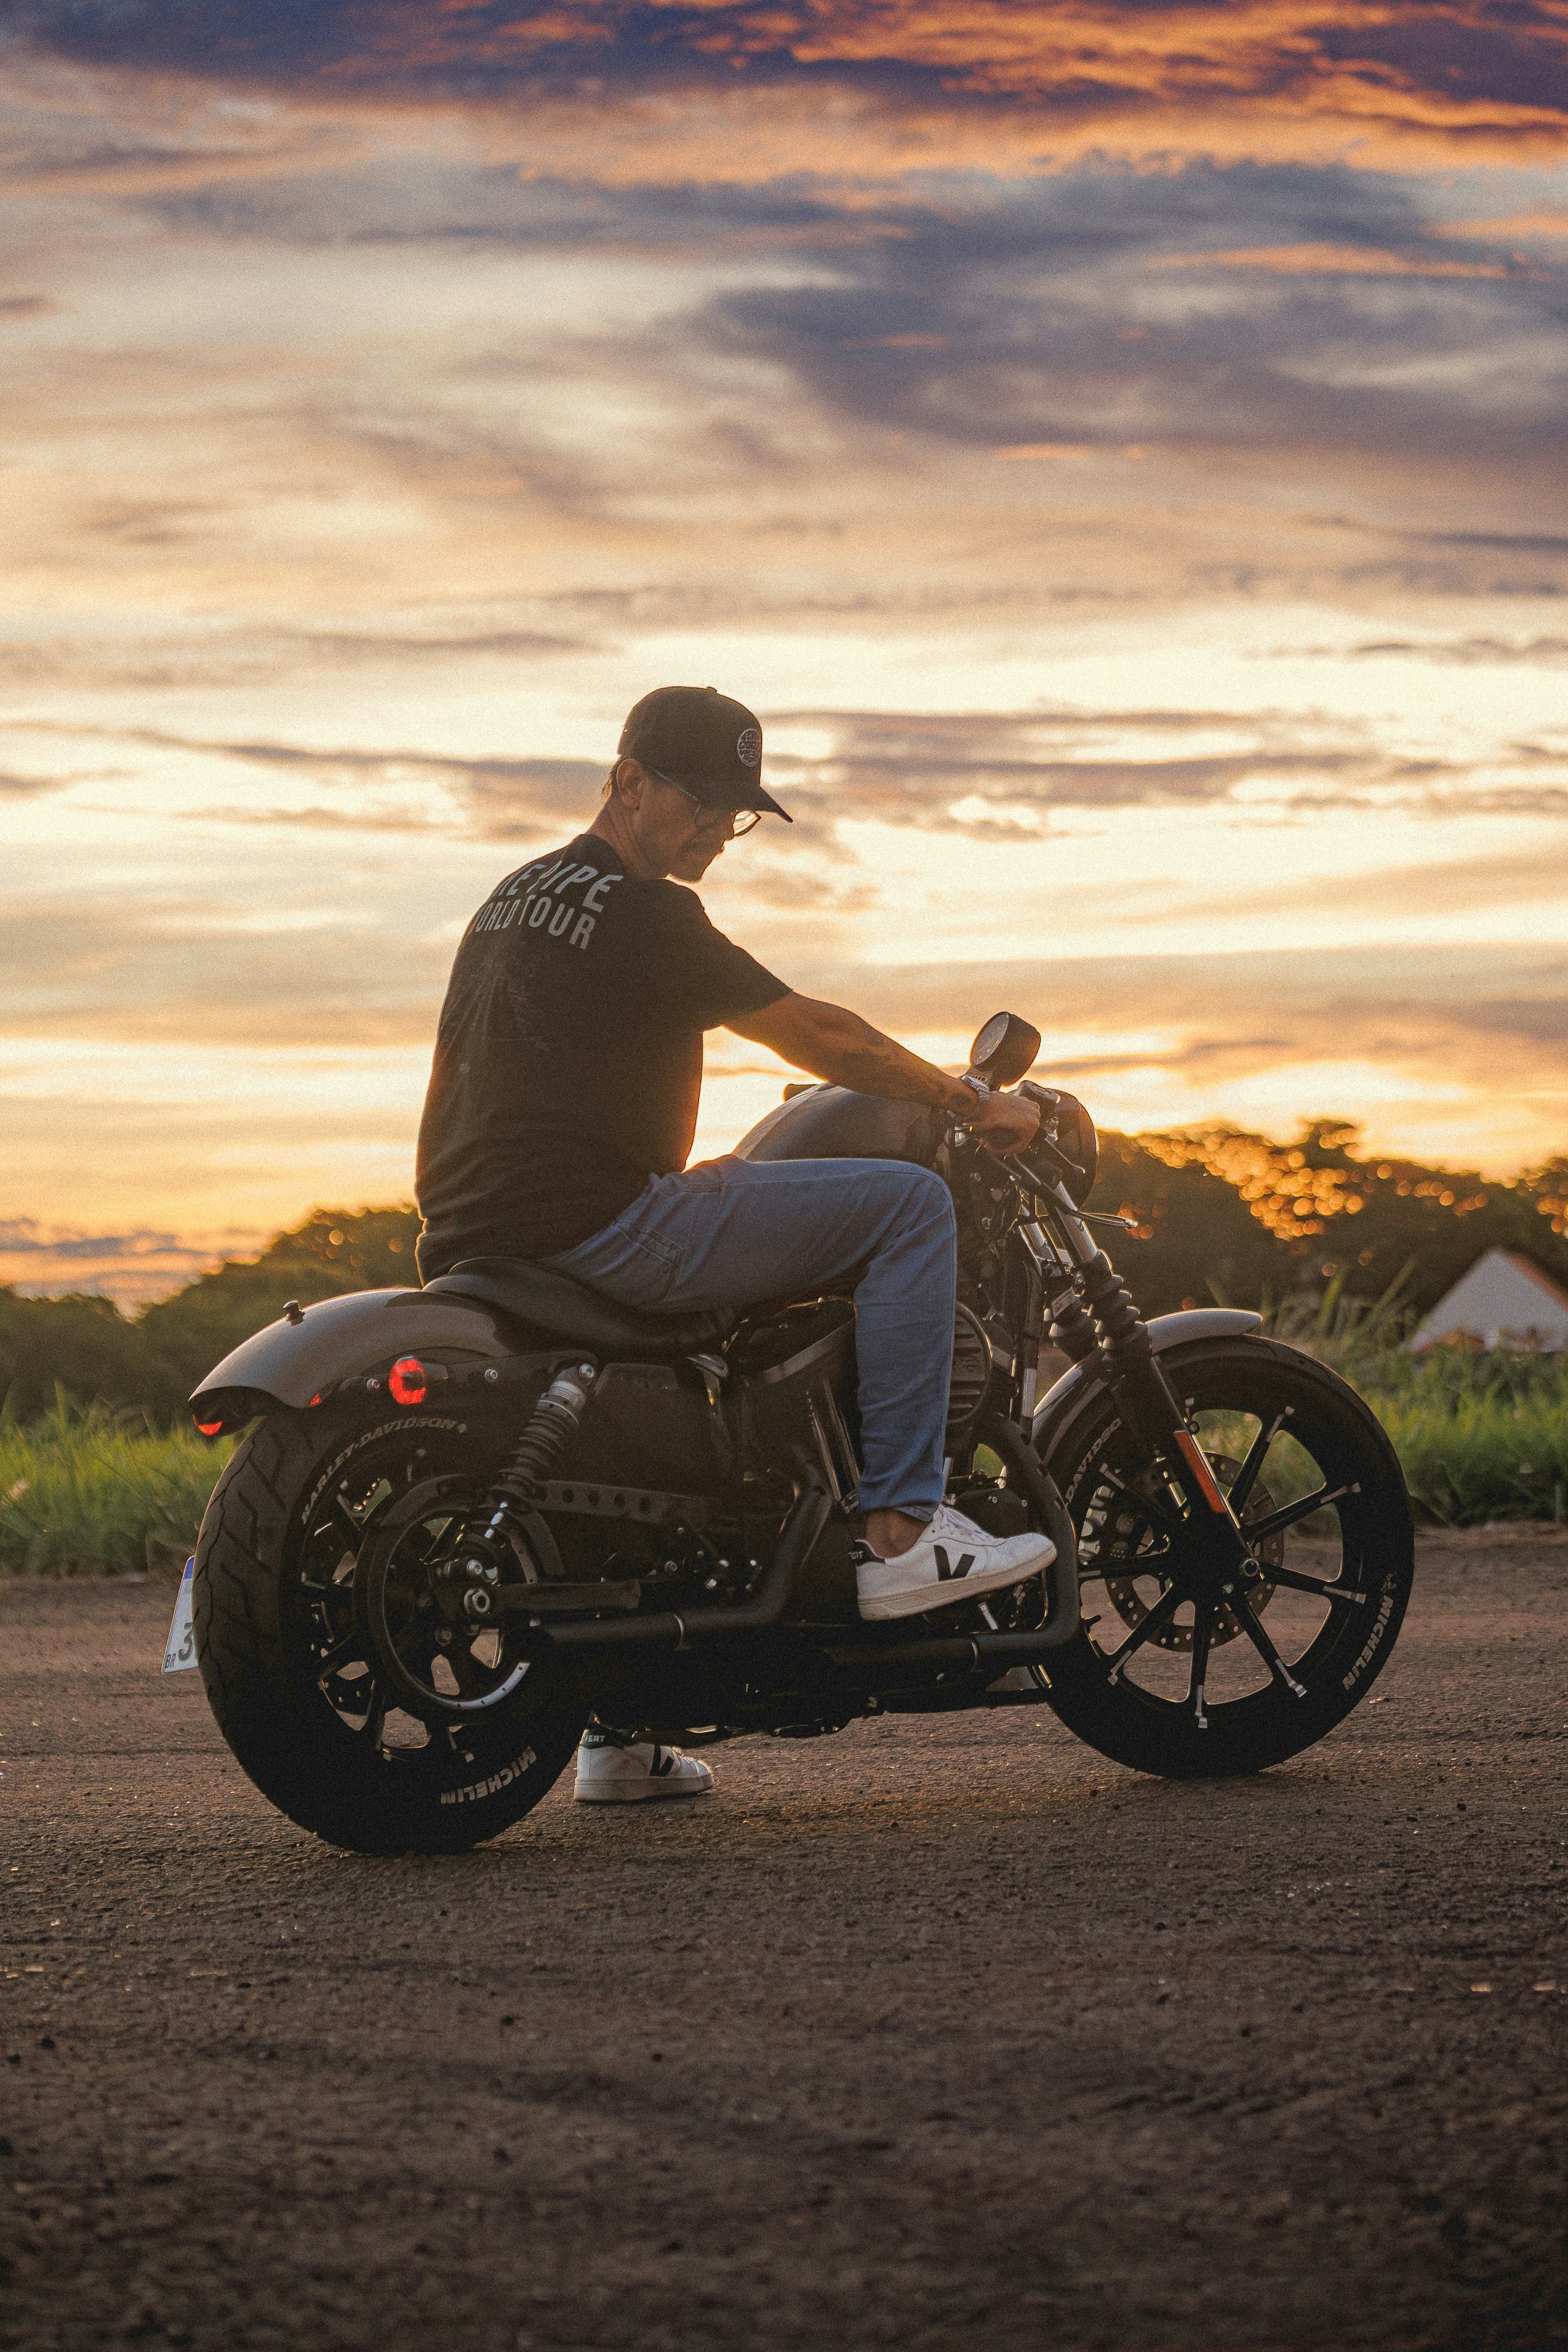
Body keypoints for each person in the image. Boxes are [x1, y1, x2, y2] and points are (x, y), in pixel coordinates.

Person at [415, 685, 1055, 1803]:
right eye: (702, 798)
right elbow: (819, 1035)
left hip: (477, 1233)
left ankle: (620, 1731)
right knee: (908, 1208)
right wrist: (964, 1102)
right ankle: (904, 1533)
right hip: (600, 1228)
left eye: (739, 808)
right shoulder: (645, 910)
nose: (719, 824)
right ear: (627, 782)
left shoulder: (517, 897)